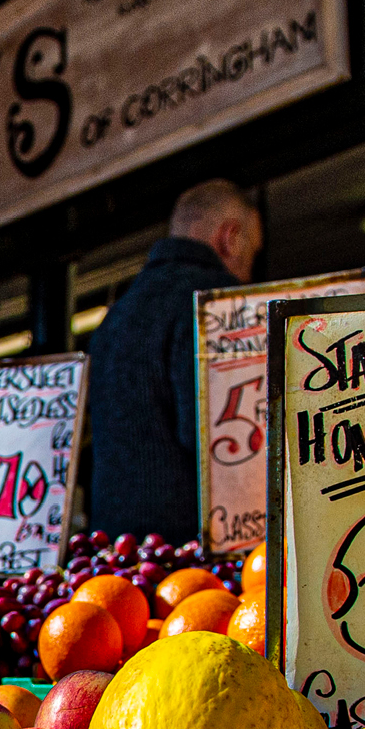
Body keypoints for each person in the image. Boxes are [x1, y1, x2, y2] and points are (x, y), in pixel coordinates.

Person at [81, 180, 261, 540]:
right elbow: (219, 442)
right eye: (252, 252)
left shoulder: (115, 317)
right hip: (193, 556)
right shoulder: (217, 307)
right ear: (231, 237)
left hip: (118, 555)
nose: (249, 269)